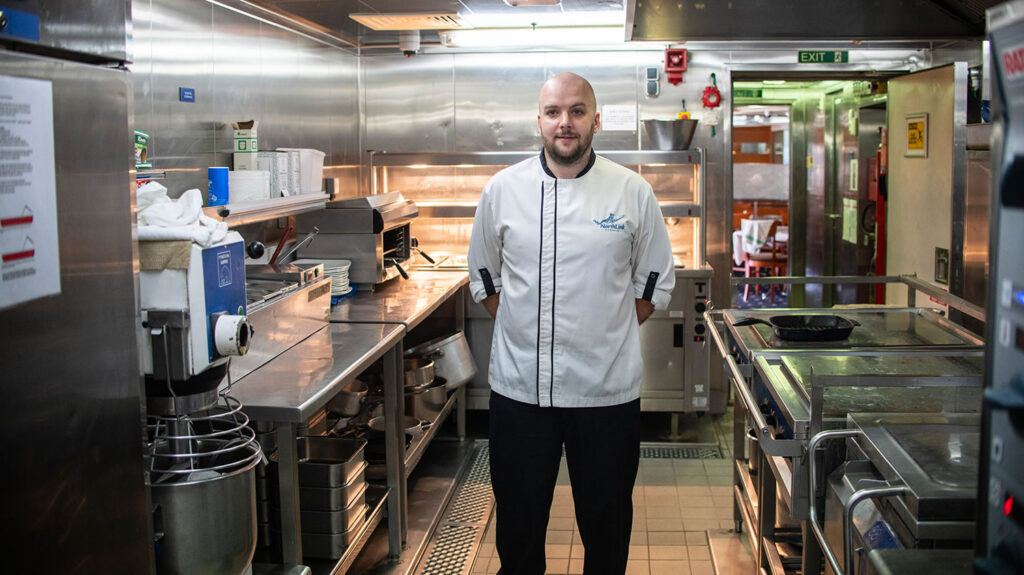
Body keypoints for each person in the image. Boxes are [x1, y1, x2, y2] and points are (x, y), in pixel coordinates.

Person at [466, 72, 676, 575]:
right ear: (538, 121)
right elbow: (486, 281)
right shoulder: (502, 190)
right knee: (518, 531)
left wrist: (602, 332)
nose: (566, 123)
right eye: (555, 112)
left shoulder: (632, 191)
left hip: (605, 397)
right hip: (520, 395)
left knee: (606, 532)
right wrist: (528, 330)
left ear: (596, 120)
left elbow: (652, 286)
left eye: (578, 111)